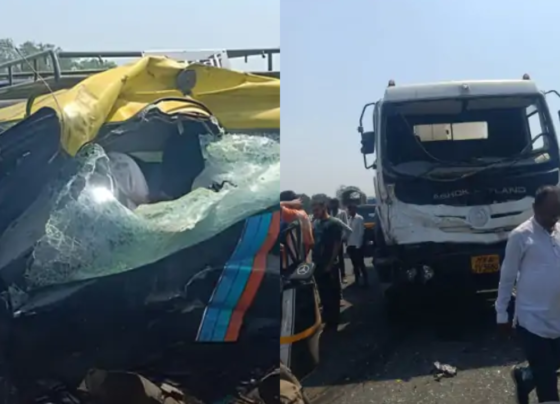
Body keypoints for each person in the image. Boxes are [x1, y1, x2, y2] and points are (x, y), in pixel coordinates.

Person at [495, 185, 560, 404]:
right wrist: (502, 315)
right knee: (548, 385)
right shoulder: (520, 236)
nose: (553, 219)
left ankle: (525, 377)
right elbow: (507, 278)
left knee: (549, 366)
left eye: (557, 213)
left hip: (557, 319)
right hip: (533, 322)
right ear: (534, 208)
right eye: (549, 213)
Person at [311, 194, 343, 332]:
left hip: (329, 263)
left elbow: (337, 244)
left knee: (332, 292)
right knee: (322, 291)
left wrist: (330, 263)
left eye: (317, 210)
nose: (314, 213)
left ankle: (334, 319)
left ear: (324, 208)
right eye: (313, 210)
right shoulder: (316, 223)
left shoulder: (334, 223)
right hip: (318, 263)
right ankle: (327, 314)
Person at [346, 203, 368, 286]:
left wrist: (358, 245)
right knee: (354, 264)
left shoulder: (359, 218)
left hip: (357, 245)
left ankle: (366, 281)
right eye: (349, 210)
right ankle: (357, 280)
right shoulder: (349, 219)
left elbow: (361, 233)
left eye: (351, 209)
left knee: (361, 264)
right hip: (350, 244)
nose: (350, 211)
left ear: (355, 209)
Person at [329, 198, 350, 283]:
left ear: (337, 205)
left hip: (339, 238)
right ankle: (333, 276)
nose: (333, 205)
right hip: (329, 238)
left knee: (340, 258)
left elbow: (346, 224)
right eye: (332, 204)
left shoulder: (342, 213)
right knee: (331, 258)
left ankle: (343, 275)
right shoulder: (328, 213)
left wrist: (344, 237)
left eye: (335, 204)